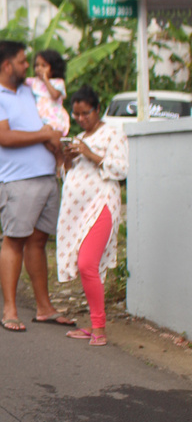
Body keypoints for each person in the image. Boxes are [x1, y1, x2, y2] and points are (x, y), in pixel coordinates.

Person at [0, 40, 75, 333]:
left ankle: (44, 308)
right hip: (16, 180)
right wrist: (44, 133)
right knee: (15, 240)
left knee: (38, 242)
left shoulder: (29, 90)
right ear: (7, 65)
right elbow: (3, 137)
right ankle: (10, 310)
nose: (27, 66)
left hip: (45, 176)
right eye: (21, 61)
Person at [57, 86, 128, 347]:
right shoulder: (78, 137)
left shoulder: (113, 133)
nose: (81, 119)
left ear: (97, 109)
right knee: (87, 267)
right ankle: (94, 324)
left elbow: (120, 169)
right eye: (76, 114)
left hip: (101, 206)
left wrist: (89, 153)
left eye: (85, 113)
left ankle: (99, 328)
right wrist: (67, 159)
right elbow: (70, 175)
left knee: (87, 263)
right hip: (77, 212)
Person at [25, 49, 70, 136]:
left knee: (46, 132)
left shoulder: (57, 82)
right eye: (37, 65)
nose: (39, 69)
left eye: (44, 66)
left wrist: (45, 79)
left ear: (53, 68)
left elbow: (55, 95)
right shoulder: (32, 81)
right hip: (38, 117)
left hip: (53, 117)